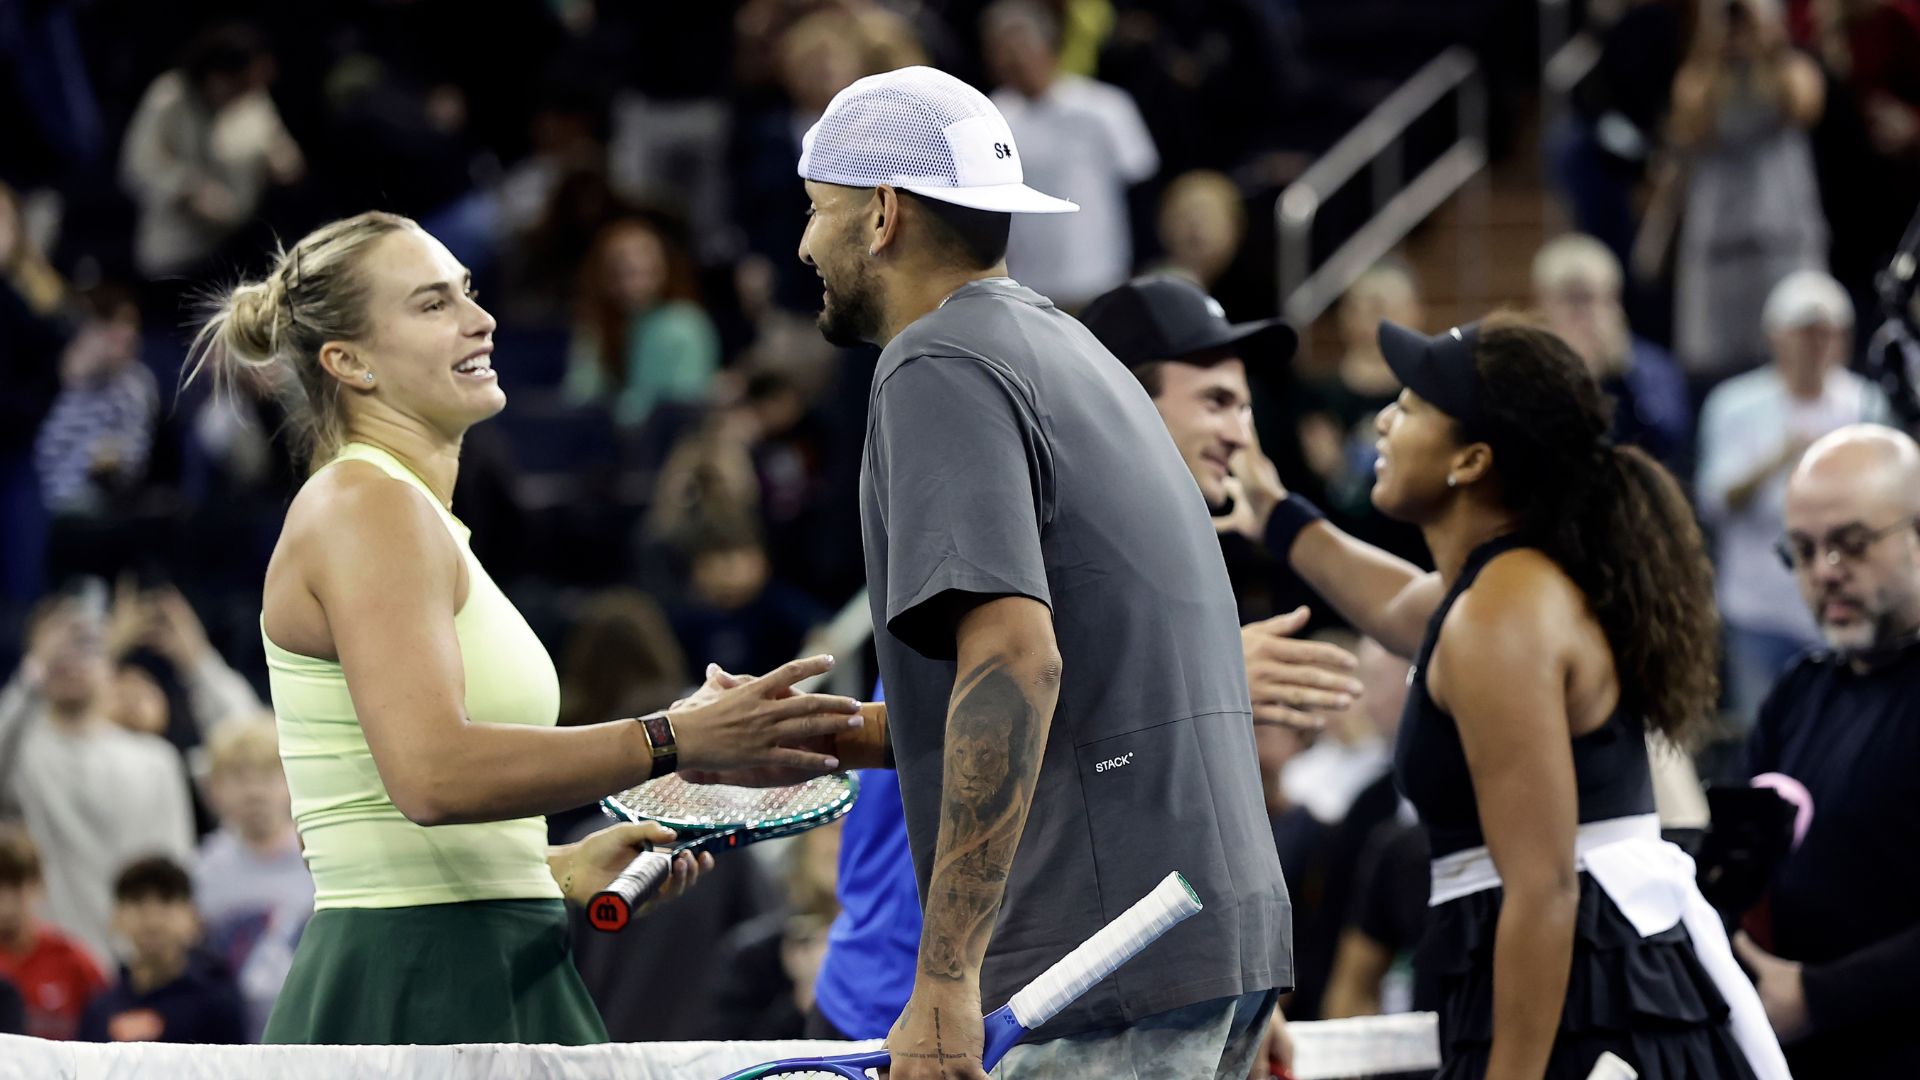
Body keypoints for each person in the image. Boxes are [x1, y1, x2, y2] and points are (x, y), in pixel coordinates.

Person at [183, 209, 864, 1045]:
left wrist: (551, 868)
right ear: (348, 362)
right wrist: (674, 738)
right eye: (433, 304)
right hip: (415, 976)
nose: (481, 318)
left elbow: (392, 814)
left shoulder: (408, 515)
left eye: (468, 291)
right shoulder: (367, 506)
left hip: (481, 953)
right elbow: (432, 775)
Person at [797, 66, 1288, 1079]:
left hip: (1093, 966)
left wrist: (943, 979)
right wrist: (817, 737)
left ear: (882, 214)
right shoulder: (1071, 349)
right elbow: (1091, 689)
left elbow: (1018, 665)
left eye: (817, 209)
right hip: (1203, 941)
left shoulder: (936, 361)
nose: (805, 244)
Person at [1231, 315, 1790, 1076]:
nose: (1384, 421)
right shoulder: (1499, 591)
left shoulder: (1504, 612)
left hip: (1585, 999)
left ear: (1471, 460)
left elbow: (1544, 888)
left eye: (1410, 407)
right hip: (1583, 982)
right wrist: (1274, 508)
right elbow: (1392, 601)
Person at [1732, 424, 1920, 1076]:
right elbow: (1736, 858)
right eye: (1804, 551)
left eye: (1852, 544)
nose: (1824, 573)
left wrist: (1819, 997)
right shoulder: (1802, 691)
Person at [1697, 269, 1892, 726]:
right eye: (1804, 334)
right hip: (1759, 610)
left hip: (1845, 603)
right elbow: (1714, 501)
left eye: (1827, 334)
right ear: (1777, 337)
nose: (1816, 346)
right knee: (1763, 732)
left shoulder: (1867, 403)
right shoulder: (1735, 403)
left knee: (1842, 731)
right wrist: (1780, 458)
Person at [0, 593, 196, 967]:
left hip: (139, 967)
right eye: (58, 647)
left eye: (85, 645)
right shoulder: (22, 759)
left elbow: (175, 867)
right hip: (50, 966)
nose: (71, 659)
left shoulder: (156, 761)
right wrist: (33, 672)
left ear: (110, 659)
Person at [1668, 0, 1827, 384]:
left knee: (1793, 359)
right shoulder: (1698, 76)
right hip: (1719, 248)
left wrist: (1768, 42)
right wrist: (1712, 48)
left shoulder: (1791, 68)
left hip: (1783, 240)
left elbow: (1802, 104)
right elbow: (1691, 119)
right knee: (1715, 369)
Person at [982, 0, 1159, 310]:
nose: (1014, 60)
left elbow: (1140, 187)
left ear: (1049, 48)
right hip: (1027, 288)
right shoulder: (990, 116)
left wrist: (1141, 264)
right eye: (1003, 52)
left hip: (1100, 278)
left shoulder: (1104, 107)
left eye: (1022, 49)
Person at [191, 718, 313, 1041]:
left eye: (268, 776)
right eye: (239, 778)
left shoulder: (319, 860)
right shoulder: (202, 872)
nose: (255, 792)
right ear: (213, 789)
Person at [1531, 234, 1691, 470]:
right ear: (1543, 305)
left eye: (1598, 299)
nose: (1588, 315)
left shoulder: (1650, 366)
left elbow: (1666, 447)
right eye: (1574, 300)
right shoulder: (1529, 367)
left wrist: (1621, 376)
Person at [563, 217, 720, 429]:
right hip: (604, 441)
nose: (634, 284)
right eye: (622, 273)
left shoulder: (684, 324)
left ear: (663, 270)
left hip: (671, 438)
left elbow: (680, 403)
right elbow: (579, 395)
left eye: (645, 272)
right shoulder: (596, 325)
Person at [77, 856, 246, 1044]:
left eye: (167, 900)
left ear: (193, 917)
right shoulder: (100, 1009)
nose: (153, 919)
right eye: (137, 901)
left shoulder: (218, 1002)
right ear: (116, 917)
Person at [0, 824, 106, 1040]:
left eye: (16, 888)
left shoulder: (73, 960)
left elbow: (106, 1033)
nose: (6, 904)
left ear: (37, 885)